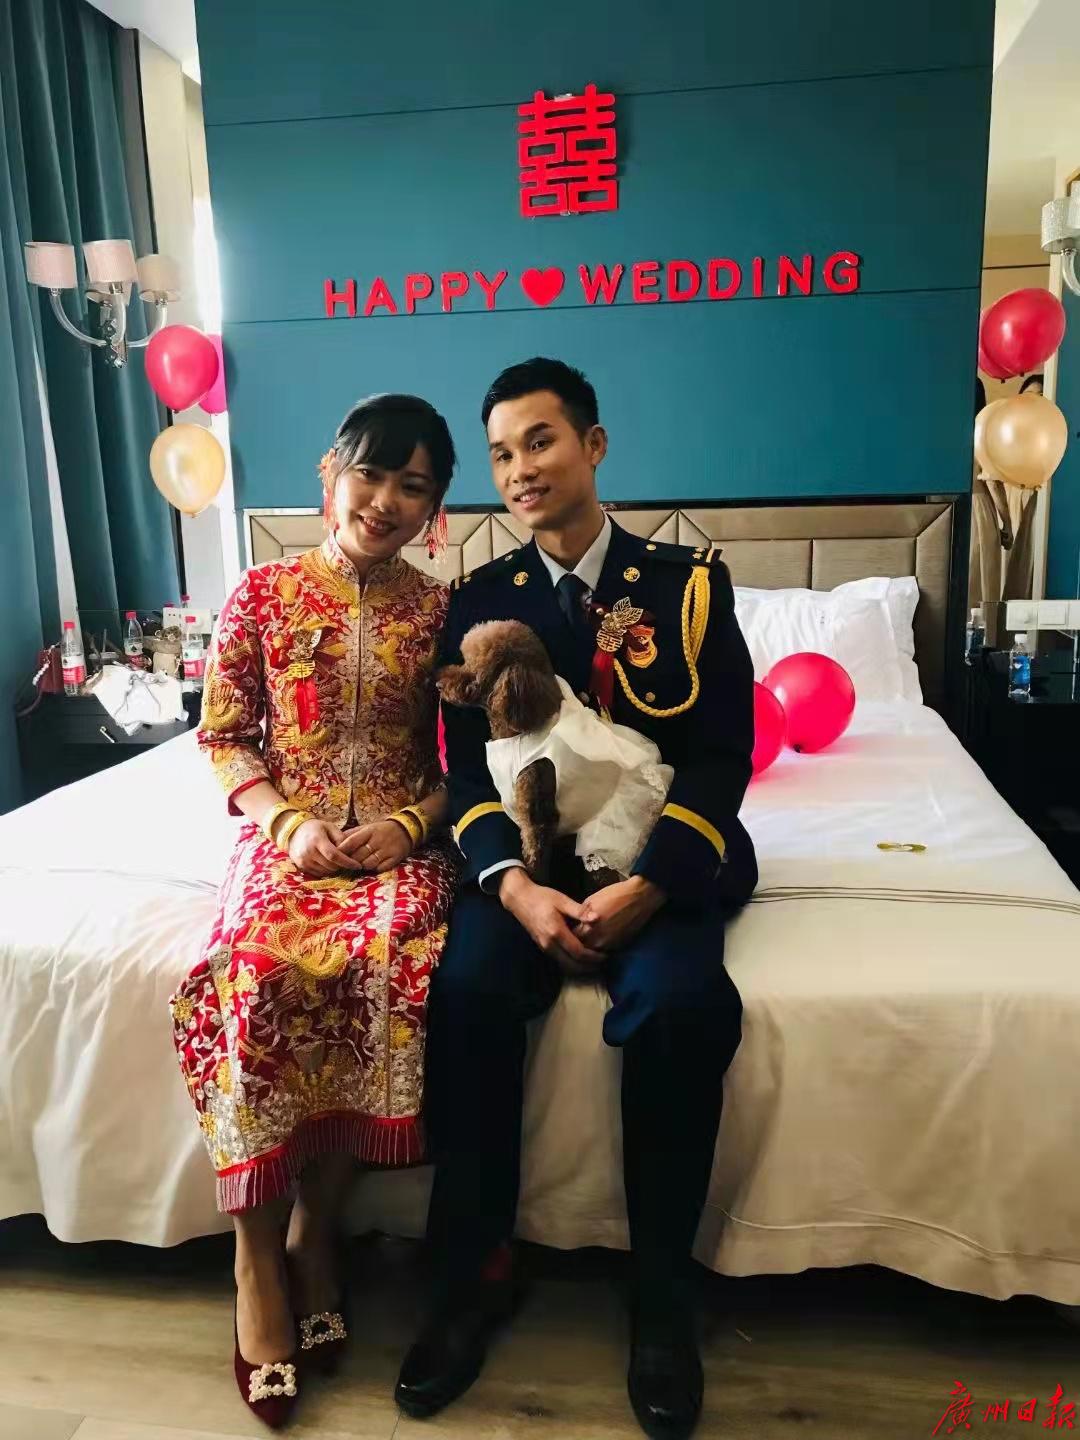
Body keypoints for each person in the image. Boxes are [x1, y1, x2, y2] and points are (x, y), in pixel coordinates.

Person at [395, 358, 757, 1439]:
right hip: (529, 870)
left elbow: (723, 754)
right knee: (465, 995)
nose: (520, 469)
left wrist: (655, 884)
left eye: (540, 441)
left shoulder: (686, 585)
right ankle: (473, 1276)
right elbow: (466, 771)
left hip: (657, 859)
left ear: (593, 445)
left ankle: (661, 1296)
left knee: (683, 1007)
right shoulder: (478, 601)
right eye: (501, 454)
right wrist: (511, 890)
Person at [170, 394, 458, 1427]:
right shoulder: (261, 593)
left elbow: (466, 762)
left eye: (413, 486)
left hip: (398, 847)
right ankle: (256, 1258)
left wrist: (413, 825)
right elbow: (224, 736)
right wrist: (286, 824)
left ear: (434, 507)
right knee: (254, 970)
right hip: (283, 838)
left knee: (382, 964)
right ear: (331, 473)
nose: (385, 501)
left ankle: (318, 1230)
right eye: (371, 474)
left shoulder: (444, 611)